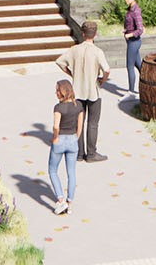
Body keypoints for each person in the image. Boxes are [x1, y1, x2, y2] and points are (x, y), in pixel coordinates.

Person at [56, 20, 110, 162]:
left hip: (77, 91)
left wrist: (71, 74)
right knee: (93, 123)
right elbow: (107, 70)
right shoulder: (98, 52)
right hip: (93, 91)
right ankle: (91, 154)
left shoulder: (75, 49)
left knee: (78, 122)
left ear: (82, 33)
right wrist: (102, 80)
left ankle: (79, 154)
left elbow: (60, 62)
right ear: (95, 34)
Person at [47, 79, 80, 216]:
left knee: (52, 170)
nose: (56, 93)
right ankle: (70, 203)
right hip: (73, 139)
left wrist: (55, 138)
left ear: (62, 92)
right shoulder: (78, 106)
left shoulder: (58, 108)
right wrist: (76, 137)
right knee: (71, 173)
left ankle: (61, 199)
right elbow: (80, 125)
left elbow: (56, 126)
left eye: (57, 91)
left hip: (60, 140)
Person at [122, 0, 144, 93]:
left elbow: (140, 29)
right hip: (131, 42)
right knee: (139, 65)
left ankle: (131, 92)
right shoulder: (130, 10)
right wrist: (126, 30)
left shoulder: (136, 11)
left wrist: (129, 35)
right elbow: (131, 25)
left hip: (134, 42)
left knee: (129, 66)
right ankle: (149, 83)